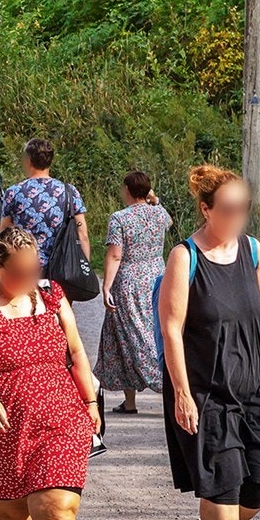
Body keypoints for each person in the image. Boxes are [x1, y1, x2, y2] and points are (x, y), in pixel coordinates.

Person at [160, 164, 260, 520]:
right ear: (206, 209)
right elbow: (171, 329)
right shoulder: (185, 257)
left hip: (257, 390)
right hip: (210, 396)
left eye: (244, 207)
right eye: (229, 208)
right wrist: (181, 395)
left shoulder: (253, 251)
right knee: (224, 487)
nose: (239, 216)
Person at [0, 227, 99, 520]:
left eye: (34, 269)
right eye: (19, 271)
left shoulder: (52, 295)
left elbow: (76, 350)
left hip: (61, 417)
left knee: (57, 509)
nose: (28, 277)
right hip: (6, 423)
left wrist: (91, 401)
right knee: (11, 516)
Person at [96, 170, 172, 414]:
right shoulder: (159, 214)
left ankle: (168, 383)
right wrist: (154, 199)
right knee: (137, 335)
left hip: (129, 281)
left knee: (135, 337)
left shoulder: (119, 218)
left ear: (128, 190)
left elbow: (116, 254)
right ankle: (129, 402)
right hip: (157, 277)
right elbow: (169, 222)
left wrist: (107, 285)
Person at [0, 137, 89, 269]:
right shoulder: (69, 191)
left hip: (24, 264)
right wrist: (84, 267)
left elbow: (4, 234)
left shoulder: (14, 192)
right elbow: (83, 234)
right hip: (62, 266)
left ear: (28, 160)